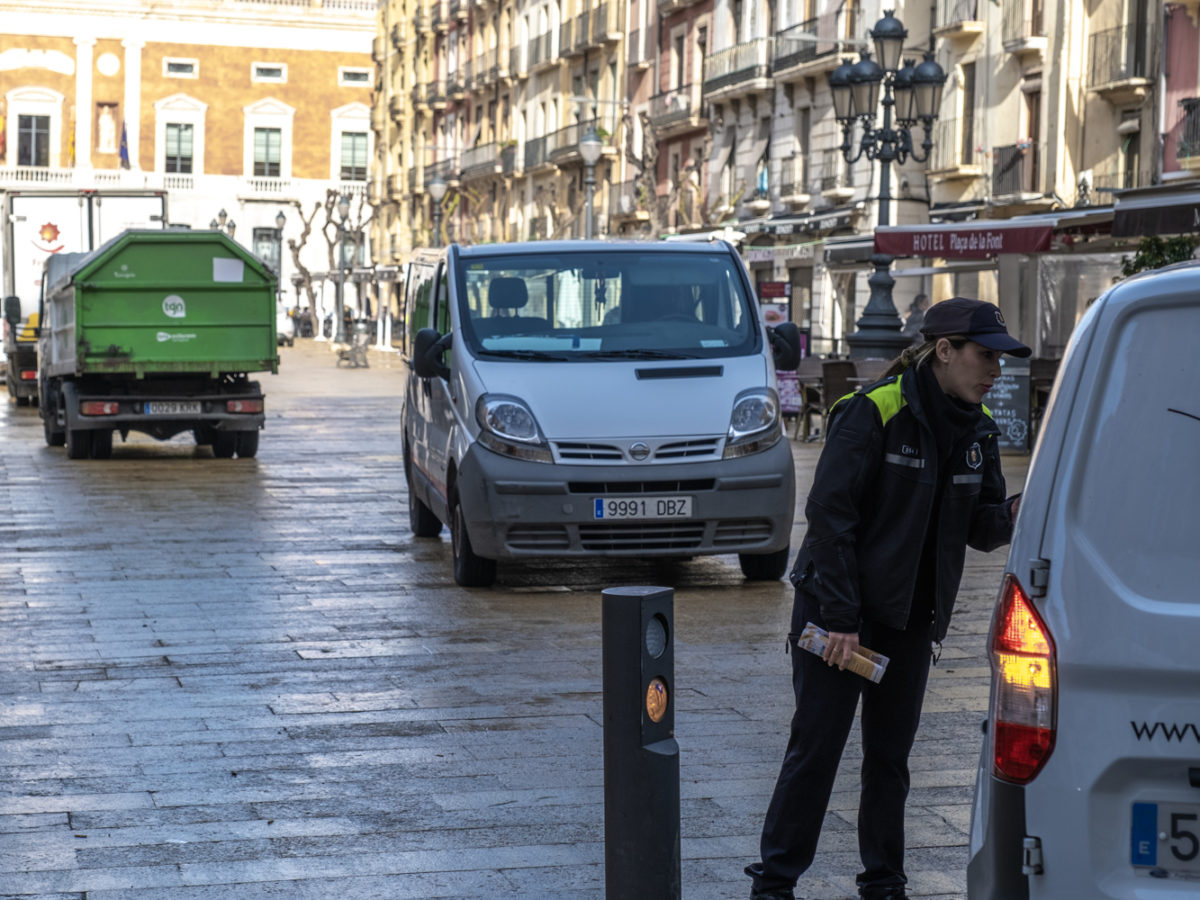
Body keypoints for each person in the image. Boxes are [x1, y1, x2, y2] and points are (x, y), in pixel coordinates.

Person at [745, 297, 1031, 900]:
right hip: (838, 615)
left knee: (890, 762)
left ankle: (884, 883)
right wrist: (842, 619)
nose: (995, 371)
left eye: (1000, 359)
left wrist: (1013, 514)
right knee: (816, 752)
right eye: (985, 356)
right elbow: (829, 517)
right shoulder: (876, 410)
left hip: (910, 620)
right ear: (944, 351)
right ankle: (774, 884)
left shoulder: (978, 431)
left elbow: (979, 527)